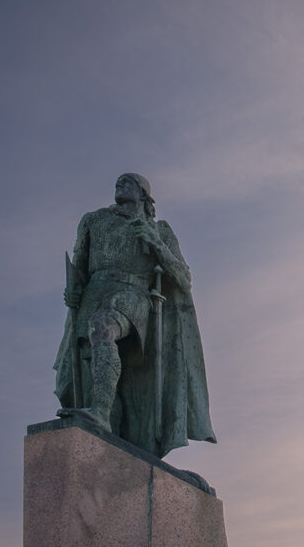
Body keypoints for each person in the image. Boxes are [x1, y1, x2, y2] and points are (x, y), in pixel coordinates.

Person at [54, 173, 216, 458]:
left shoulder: (159, 229)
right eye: (117, 182)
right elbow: (79, 267)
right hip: (94, 293)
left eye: (127, 182)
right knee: (95, 367)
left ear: (143, 193)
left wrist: (157, 244)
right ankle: (107, 423)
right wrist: (74, 290)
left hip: (134, 294)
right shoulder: (93, 220)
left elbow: (184, 278)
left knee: (103, 327)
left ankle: (100, 413)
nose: (119, 185)